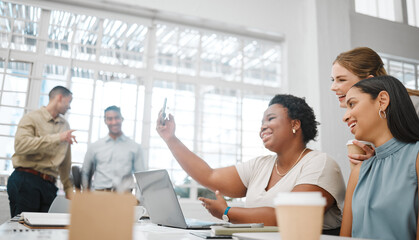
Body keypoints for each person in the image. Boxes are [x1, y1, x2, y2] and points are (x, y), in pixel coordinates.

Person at [156, 94, 346, 233]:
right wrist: (170, 138)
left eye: (271, 119)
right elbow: (209, 176)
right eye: (262, 121)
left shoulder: (320, 164)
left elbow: (286, 216)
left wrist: (228, 212)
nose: (263, 126)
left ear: (295, 124)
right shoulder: (260, 165)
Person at [340, 76, 419, 239]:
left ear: (382, 101)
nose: (345, 117)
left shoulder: (416, 158)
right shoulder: (359, 172)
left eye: (352, 104)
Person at [331, 47, 419, 166]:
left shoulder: (414, 105)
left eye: (341, 80)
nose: (333, 87)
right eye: (333, 80)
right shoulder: (363, 117)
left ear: (368, 81)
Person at [7, 86, 76, 217]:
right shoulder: (31, 118)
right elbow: (21, 146)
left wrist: (68, 189)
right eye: (69, 101)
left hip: (49, 186)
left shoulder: (65, 125)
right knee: (23, 232)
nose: (70, 107)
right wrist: (57, 138)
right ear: (60, 98)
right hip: (25, 180)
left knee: (44, 233)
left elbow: (65, 161)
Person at [81, 106, 145, 192]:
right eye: (110, 119)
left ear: (122, 119)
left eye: (117, 118)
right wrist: (86, 194)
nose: (114, 122)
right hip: (99, 195)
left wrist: (138, 198)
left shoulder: (135, 147)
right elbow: (85, 173)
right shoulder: (94, 146)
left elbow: (141, 176)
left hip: (124, 196)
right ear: (105, 121)